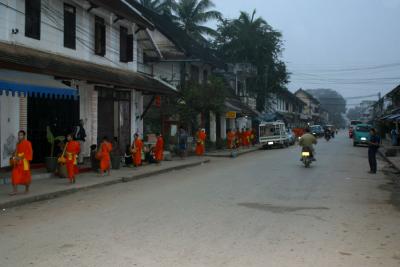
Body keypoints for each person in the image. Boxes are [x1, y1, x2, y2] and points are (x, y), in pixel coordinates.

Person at [9, 130, 33, 195]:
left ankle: (27, 189)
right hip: (18, 162)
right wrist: (14, 155)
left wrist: (21, 157)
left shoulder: (28, 143)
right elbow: (16, 152)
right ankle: (15, 190)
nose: (20, 136)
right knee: (14, 174)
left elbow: (30, 153)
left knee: (26, 176)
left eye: (21, 135)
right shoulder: (18, 143)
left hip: (24, 162)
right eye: (19, 135)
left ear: (24, 136)